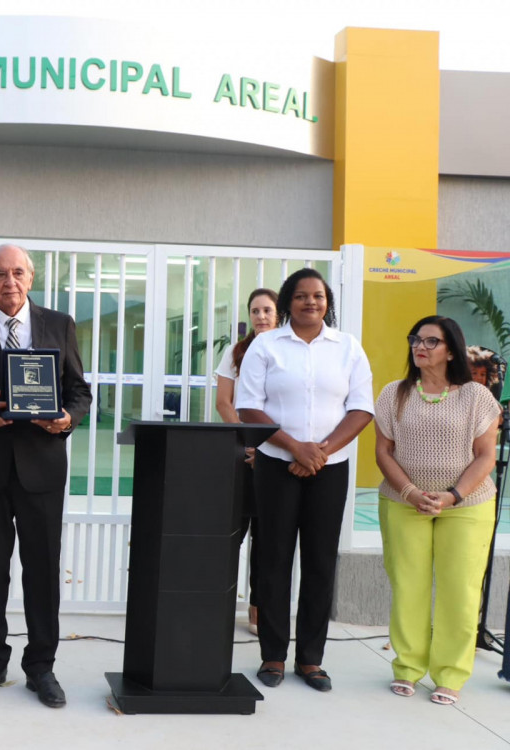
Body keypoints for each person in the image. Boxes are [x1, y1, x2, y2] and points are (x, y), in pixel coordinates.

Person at [0, 244, 92, 709]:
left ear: (31, 278)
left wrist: (66, 418)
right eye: (0, 274)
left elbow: (80, 392)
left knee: (42, 571)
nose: (10, 281)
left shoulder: (59, 324)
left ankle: (41, 667)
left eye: (18, 273)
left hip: (43, 467)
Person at [236, 267, 373, 693]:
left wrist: (320, 452)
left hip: (329, 470)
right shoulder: (266, 345)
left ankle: (311, 659)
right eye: (301, 296)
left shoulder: (347, 347)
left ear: (328, 302)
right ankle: (273, 655)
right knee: (273, 559)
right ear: (287, 302)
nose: (310, 302)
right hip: (277, 464)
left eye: (318, 296)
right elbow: (248, 408)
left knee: (318, 562)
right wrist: (297, 448)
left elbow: (361, 408)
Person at [374, 316, 500, 706]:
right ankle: (408, 667)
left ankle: (450, 674)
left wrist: (452, 495)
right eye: (416, 339)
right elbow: (383, 451)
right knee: (408, 586)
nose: (420, 346)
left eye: (432, 340)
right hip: (402, 502)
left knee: (459, 590)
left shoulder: (477, 397)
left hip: (466, 505)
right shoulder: (394, 393)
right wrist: (411, 492)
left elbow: (485, 457)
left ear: (451, 351)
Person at [214, 288, 278, 635]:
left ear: (278, 314)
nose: (261, 316)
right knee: (231, 534)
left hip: (277, 457)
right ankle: (218, 604)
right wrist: (248, 442)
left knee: (268, 539)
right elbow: (225, 402)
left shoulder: (287, 350)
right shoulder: (235, 352)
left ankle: (258, 609)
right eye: (255, 311)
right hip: (241, 456)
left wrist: (266, 445)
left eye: (267, 310)